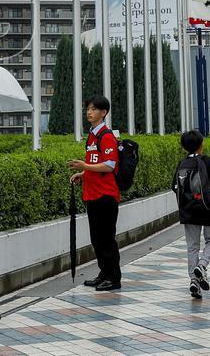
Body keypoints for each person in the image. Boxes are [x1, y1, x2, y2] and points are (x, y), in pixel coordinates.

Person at [68, 95, 121, 292]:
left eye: (93, 109)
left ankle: (114, 277)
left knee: (107, 238)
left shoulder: (106, 136)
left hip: (106, 196)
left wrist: (85, 165)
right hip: (92, 194)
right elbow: (96, 164)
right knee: (96, 238)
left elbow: (109, 165)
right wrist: (83, 173)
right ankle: (103, 274)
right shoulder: (92, 135)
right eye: (88, 109)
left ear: (103, 112)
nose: (89, 112)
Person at [172, 130, 210, 299]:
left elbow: (174, 187)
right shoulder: (207, 161)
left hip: (188, 210)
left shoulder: (182, 164)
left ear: (183, 147)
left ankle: (194, 280)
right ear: (202, 144)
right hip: (207, 208)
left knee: (192, 246)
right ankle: (202, 266)